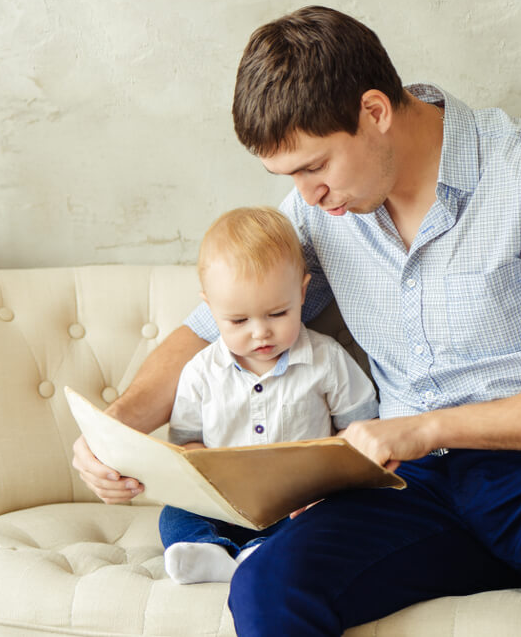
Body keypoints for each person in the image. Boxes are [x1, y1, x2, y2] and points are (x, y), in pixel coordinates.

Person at [73, 5, 521, 636]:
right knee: (269, 590)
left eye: (314, 167)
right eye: (288, 177)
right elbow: (210, 331)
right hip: (411, 488)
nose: (306, 195)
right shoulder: (323, 210)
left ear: (375, 112)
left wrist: (422, 429)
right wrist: (117, 427)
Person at [157, 206, 378, 585]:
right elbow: (187, 444)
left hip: (299, 502)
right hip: (225, 503)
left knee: (330, 518)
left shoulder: (326, 360)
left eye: (277, 313)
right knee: (174, 513)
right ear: (210, 309)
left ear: (303, 293)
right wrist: (203, 473)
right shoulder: (200, 372)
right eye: (239, 321)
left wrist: (327, 480)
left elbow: (361, 429)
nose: (260, 333)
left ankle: (262, 555)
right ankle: (209, 551)